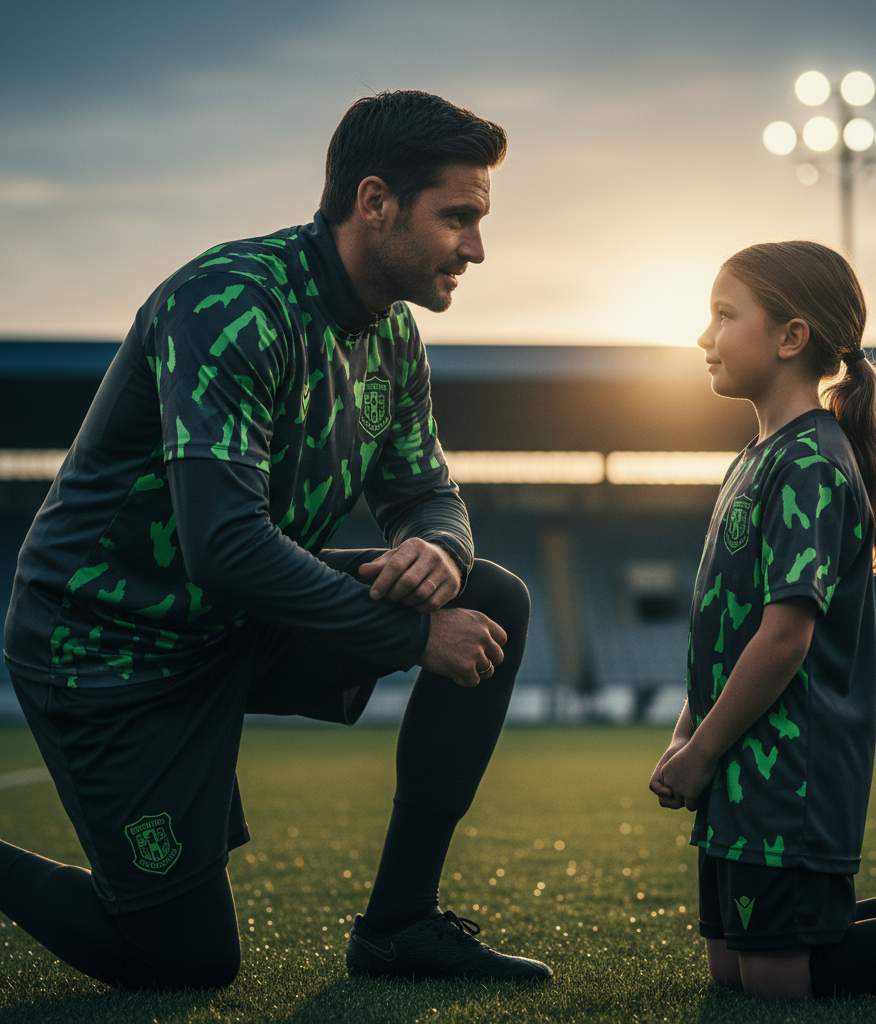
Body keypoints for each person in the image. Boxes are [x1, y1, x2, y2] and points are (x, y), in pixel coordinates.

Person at [0, 89, 552, 988]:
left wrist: (440, 547)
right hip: (110, 647)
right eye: (457, 217)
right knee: (183, 962)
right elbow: (223, 544)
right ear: (375, 202)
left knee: (487, 595)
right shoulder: (230, 304)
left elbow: (423, 486)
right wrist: (414, 635)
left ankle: (398, 928)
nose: (476, 247)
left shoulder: (392, 334)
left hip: (232, 624)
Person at [649, 241, 876, 998]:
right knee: (734, 969)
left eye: (724, 315)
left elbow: (785, 636)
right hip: (738, 765)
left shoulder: (813, 463)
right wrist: (687, 736)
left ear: (792, 338)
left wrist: (704, 750)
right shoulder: (754, 459)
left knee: (779, 981)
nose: (703, 336)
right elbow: (722, 630)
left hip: (791, 769)